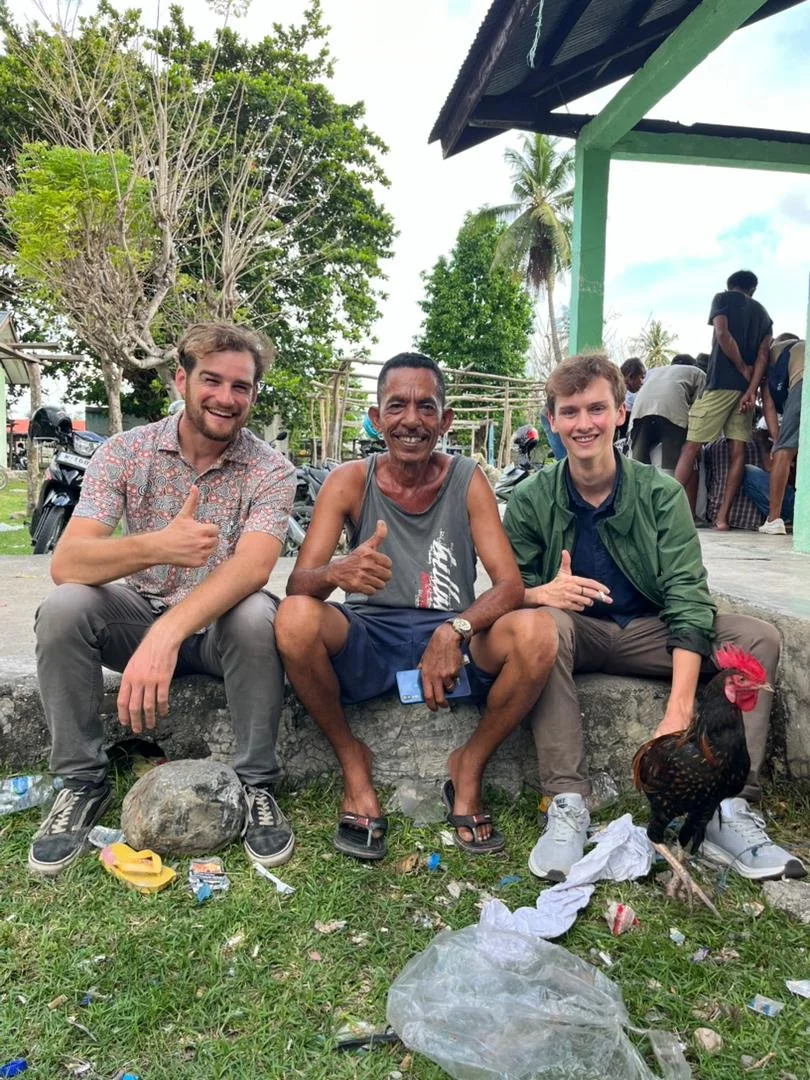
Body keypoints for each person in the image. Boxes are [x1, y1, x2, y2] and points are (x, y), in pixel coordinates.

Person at [503, 353, 804, 883]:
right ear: (552, 422)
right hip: (577, 629)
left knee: (759, 639)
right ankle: (567, 801)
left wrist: (679, 711)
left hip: (651, 629)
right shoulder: (530, 501)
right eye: (569, 412)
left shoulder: (661, 494)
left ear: (622, 413)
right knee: (540, 627)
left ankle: (730, 807)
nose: (584, 424)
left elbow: (689, 596)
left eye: (597, 408)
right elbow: (507, 592)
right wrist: (540, 592)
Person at [29, 323, 296, 876]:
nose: (226, 398)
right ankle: (81, 782)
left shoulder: (271, 469)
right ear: (181, 380)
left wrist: (168, 634)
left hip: (217, 632)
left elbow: (254, 566)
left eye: (241, 387)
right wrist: (159, 547)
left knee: (255, 616)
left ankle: (256, 784)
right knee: (63, 610)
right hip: (138, 613)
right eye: (212, 381)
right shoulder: (125, 453)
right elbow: (68, 563)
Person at [275, 352, 557, 861]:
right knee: (294, 619)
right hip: (369, 636)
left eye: (426, 407)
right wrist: (337, 573)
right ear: (377, 418)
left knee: (537, 633)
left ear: (445, 421)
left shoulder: (468, 479)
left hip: (454, 643)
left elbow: (510, 585)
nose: (411, 420)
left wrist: (457, 629)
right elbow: (299, 584)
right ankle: (353, 763)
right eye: (397, 406)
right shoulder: (347, 480)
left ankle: (467, 766)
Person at [674, 270, 773, 530]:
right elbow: (763, 355)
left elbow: (722, 334)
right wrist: (751, 389)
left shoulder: (722, 299)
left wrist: (740, 367)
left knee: (692, 445)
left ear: (731, 286)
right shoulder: (764, 315)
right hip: (745, 394)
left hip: (719, 385)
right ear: (753, 289)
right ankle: (722, 518)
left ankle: (666, 509)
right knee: (737, 451)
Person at [758, 335, 804, 535]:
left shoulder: (769, 353)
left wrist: (777, 441)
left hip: (804, 381)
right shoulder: (800, 348)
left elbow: (768, 404)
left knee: (784, 450)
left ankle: (774, 519)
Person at [629, 354, 706, 471]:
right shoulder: (698, 373)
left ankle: (636, 487)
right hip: (671, 411)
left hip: (640, 412)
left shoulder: (654, 372)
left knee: (638, 464)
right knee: (672, 465)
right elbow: (699, 409)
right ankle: (671, 488)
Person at [615, 357, 645, 441]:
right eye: (641, 377)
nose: (642, 382)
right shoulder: (615, 391)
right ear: (631, 376)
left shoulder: (621, 390)